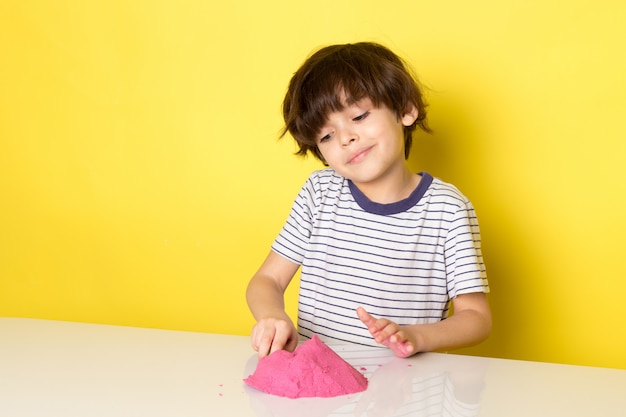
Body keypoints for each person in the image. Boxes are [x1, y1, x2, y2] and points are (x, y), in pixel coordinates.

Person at [246, 42, 491, 359]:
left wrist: (417, 336)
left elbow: (477, 319)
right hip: (321, 388)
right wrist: (272, 316)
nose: (345, 137)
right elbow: (266, 280)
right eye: (326, 136)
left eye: (359, 116)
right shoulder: (319, 193)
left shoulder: (448, 210)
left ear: (405, 110)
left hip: (405, 393)